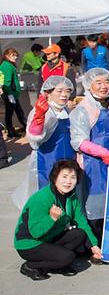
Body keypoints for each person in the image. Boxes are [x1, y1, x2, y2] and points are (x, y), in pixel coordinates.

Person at [14, 160, 102, 281]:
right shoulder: (42, 198)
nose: (68, 182)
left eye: (73, 177)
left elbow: (81, 222)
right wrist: (51, 218)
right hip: (30, 243)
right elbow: (35, 232)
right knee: (68, 257)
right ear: (55, 178)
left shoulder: (72, 196)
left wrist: (94, 246)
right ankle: (30, 266)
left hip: (49, 238)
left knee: (79, 234)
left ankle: (57, 264)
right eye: (64, 177)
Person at [69, 68, 109, 236]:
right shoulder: (83, 109)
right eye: (98, 83)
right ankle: (96, 242)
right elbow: (78, 141)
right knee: (96, 203)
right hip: (93, 163)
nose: (104, 86)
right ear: (89, 85)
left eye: (106, 82)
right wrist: (101, 152)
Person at [16, 76, 76, 208]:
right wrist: (39, 118)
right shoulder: (43, 111)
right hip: (47, 161)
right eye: (59, 91)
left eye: (67, 91)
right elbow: (34, 140)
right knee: (48, 199)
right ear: (47, 93)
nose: (64, 95)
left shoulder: (67, 110)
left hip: (67, 161)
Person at [1, 48, 26, 137]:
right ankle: (11, 131)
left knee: (15, 112)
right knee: (13, 112)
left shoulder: (9, 65)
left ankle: (12, 130)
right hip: (10, 94)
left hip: (12, 93)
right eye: (13, 55)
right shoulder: (7, 66)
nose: (15, 57)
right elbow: (6, 81)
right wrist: (10, 94)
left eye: (16, 55)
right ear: (7, 55)